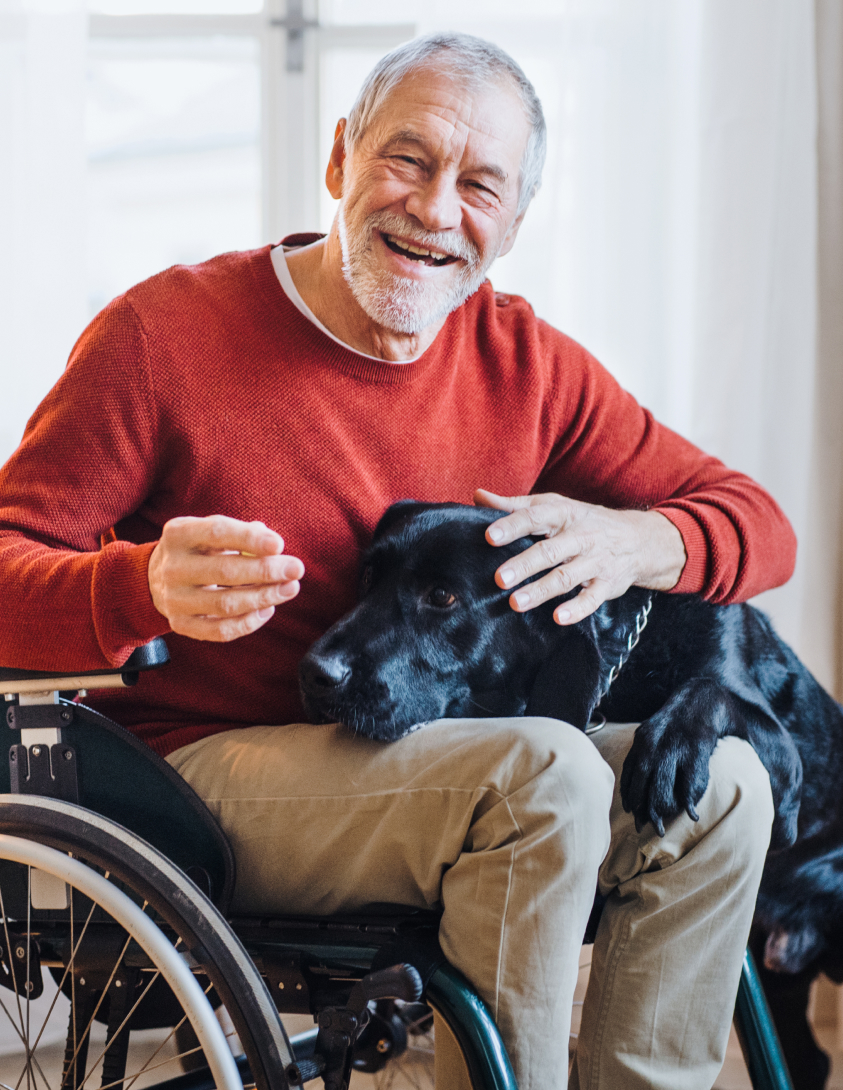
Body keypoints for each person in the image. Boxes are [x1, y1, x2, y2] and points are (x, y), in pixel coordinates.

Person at [0, 32, 795, 1090]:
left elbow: (757, 526)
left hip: (435, 762)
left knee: (728, 785)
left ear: (510, 225)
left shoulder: (528, 364)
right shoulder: (164, 334)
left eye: (479, 184)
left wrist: (634, 537)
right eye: (407, 159)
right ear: (339, 159)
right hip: (204, 771)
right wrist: (132, 585)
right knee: (544, 769)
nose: (433, 208)